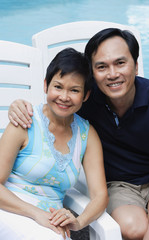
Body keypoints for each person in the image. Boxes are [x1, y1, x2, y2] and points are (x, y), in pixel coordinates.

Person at [8, 28, 149, 240]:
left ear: (136, 65)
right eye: (102, 67)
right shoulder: (82, 100)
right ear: (93, 74)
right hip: (120, 185)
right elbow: (55, 101)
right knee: (135, 229)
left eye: (120, 63)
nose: (113, 74)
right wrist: (17, 104)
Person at [0, 48, 108, 240]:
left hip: (50, 222)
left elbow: (100, 195)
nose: (64, 97)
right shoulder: (25, 121)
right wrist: (35, 213)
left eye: (74, 90)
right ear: (45, 86)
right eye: (58, 87)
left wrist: (79, 221)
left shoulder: (87, 135)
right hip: (9, 209)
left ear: (85, 95)